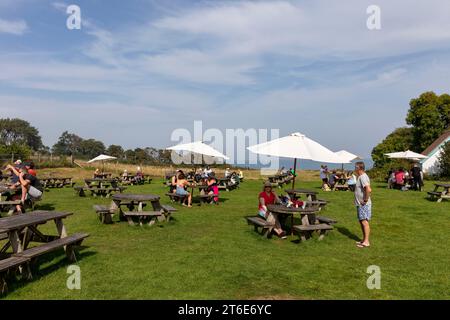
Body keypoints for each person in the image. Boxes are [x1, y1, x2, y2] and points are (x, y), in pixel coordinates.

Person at [353, 162, 372, 248]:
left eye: (355, 167)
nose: (354, 169)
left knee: (364, 222)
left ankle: (366, 242)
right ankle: (364, 240)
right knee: (361, 221)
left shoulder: (363, 177)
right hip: (360, 204)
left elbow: (368, 189)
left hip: (364, 204)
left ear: (359, 168)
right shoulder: (360, 177)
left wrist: (365, 200)